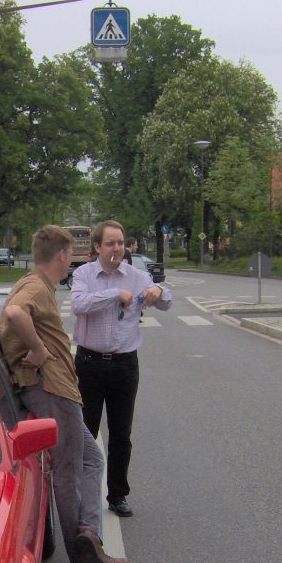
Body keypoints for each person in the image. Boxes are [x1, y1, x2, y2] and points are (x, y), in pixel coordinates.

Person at [0, 224, 129, 563]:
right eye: (70, 254)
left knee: (91, 459)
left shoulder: (37, 285)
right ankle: (82, 552)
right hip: (51, 388)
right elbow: (15, 313)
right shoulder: (34, 287)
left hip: (54, 387)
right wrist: (39, 350)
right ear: (60, 255)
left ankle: (88, 537)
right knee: (70, 469)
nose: (71, 260)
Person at [71, 219, 172, 518]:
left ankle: (117, 494)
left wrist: (158, 292)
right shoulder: (84, 274)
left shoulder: (136, 276)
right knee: (85, 430)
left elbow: (166, 301)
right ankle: (82, 494)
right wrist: (115, 294)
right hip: (89, 363)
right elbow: (79, 305)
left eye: (120, 243)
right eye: (110, 243)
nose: (116, 248)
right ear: (98, 247)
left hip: (124, 364)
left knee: (121, 433)